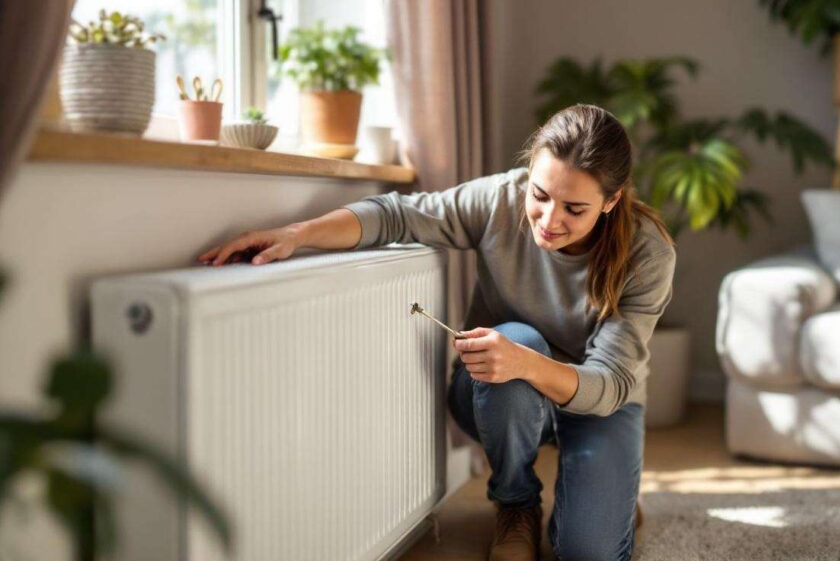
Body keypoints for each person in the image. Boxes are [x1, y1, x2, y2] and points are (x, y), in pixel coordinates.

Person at [197, 104, 676, 561]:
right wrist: (298, 234)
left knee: (588, 551)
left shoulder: (647, 253)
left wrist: (528, 365)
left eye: (574, 209)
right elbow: (398, 214)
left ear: (611, 201)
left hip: (598, 402)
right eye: (540, 195)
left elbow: (611, 384)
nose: (550, 221)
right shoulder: (498, 201)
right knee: (516, 339)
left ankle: (607, 493)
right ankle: (516, 506)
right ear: (528, 175)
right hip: (501, 394)